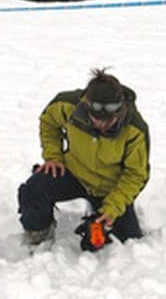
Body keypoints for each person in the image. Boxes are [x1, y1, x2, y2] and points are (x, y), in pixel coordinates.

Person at [18, 69, 150, 248]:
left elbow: (135, 175)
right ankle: (40, 233)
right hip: (73, 173)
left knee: (130, 240)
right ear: (87, 104)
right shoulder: (67, 105)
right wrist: (53, 156)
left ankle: (99, 214)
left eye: (109, 120)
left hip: (109, 187)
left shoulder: (135, 130)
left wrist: (112, 208)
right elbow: (48, 121)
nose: (102, 125)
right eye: (97, 119)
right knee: (33, 191)